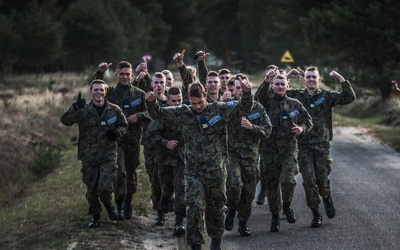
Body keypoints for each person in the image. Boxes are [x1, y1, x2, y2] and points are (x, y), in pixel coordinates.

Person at [145, 80, 253, 250]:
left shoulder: (219, 109)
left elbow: (243, 108)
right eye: (193, 103)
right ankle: (195, 244)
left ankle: (216, 241)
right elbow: (159, 114)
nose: (197, 106)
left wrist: (247, 93)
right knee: (194, 207)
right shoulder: (184, 113)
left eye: (200, 102)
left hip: (216, 171)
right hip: (193, 171)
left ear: (205, 97)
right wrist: (151, 102)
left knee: (216, 209)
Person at [286, 67, 356, 227]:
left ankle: (326, 197)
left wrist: (339, 77)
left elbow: (349, 97)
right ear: (304, 79)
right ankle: (316, 213)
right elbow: (275, 92)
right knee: (308, 180)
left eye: (314, 77)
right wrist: (287, 75)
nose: (311, 79)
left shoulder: (326, 96)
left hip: (321, 145)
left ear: (318, 79)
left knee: (322, 179)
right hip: (303, 145)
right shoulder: (296, 95)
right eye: (308, 77)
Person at [60, 79, 128, 228]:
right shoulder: (83, 110)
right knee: (91, 189)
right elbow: (65, 120)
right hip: (89, 156)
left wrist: (116, 133)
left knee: (104, 187)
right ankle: (96, 216)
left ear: (105, 92)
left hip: (108, 155)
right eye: (96, 90)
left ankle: (109, 205)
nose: (99, 93)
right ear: (91, 92)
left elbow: (124, 125)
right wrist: (74, 108)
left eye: (101, 90)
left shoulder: (114, 110)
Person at [257, 74, 313, 232]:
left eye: (283, 84)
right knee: (273, 185)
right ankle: (275, 216)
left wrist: (302, 128)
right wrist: (266, 80)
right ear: (273, 86)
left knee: (288, 180)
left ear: (288, 85)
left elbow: (308, 120)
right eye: (277, 84)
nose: (280, 87)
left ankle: (287, 205)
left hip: (288, 148)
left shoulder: (294, 104)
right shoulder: (266, 102)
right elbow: (258, 96)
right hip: (269, 150)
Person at [93, 61, 149, 220]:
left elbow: (151, 112)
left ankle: (128, 202)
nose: (125, 77)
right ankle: (119, 202)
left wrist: (138, 116)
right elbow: (97, 88)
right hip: (115, 140)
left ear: (132, 76)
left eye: (128, 74)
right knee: (119, 171)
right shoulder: (110, 93)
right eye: (122, 74)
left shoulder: (139, 94)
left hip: (133, 139)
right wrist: (100, 72)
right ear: (116, 75)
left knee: (131, 172)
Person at [224, 74, 272, 237]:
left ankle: (243, 222)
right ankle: (231, 209)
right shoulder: (227, 107)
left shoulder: (257, 108)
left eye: (243, 88)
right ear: (233, 90)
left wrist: (253, 127)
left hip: (251, 157)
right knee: (234, 185)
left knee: (249, 191)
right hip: (232, 155)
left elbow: (267, 130)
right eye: (236, 88)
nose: (239, 91)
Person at [144, 86, 186, 236]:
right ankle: (163, 206)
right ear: (167, 100)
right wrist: (164, 142)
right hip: (165, 159)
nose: (177, 103)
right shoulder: (163, 115)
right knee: (167, 189)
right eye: (174, 101)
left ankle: (179, 223)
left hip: (181, 159)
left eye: (180, 100)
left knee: (181, 189)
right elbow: (149, 136)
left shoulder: (185, 113)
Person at [141, 72, 169, 226]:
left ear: (166, 84)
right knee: (155, 180)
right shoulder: (146, 102)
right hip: (152, 147)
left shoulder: (170, 102)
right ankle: (159, 212)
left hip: (169, 148)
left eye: (161, 83)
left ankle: (170, 204)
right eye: (156, 82)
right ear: (151, 84)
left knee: (168, 179)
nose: (158, 85)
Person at [254, 64, 280, 205]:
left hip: (282, 137)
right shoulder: (264, 89)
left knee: (282, 171)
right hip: (266, 137)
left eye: (274, 73)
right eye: (270, 73)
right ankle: (263, 189)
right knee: (264, 167)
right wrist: (267, 81)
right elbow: (258, 97)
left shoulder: (282, 87)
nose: (272, 75)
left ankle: (279, 200)